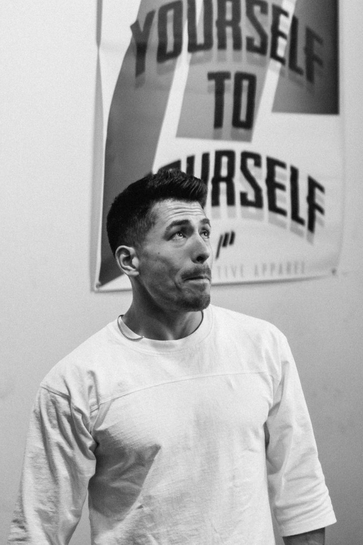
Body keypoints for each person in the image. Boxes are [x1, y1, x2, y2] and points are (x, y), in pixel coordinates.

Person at [8, 169, 336, 545]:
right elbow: (39, 530)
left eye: (205, 231)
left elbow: (301, 490)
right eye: (179, 233)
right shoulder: (75, 382)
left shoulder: (263, 346)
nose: (202, 249)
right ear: (130, 261)